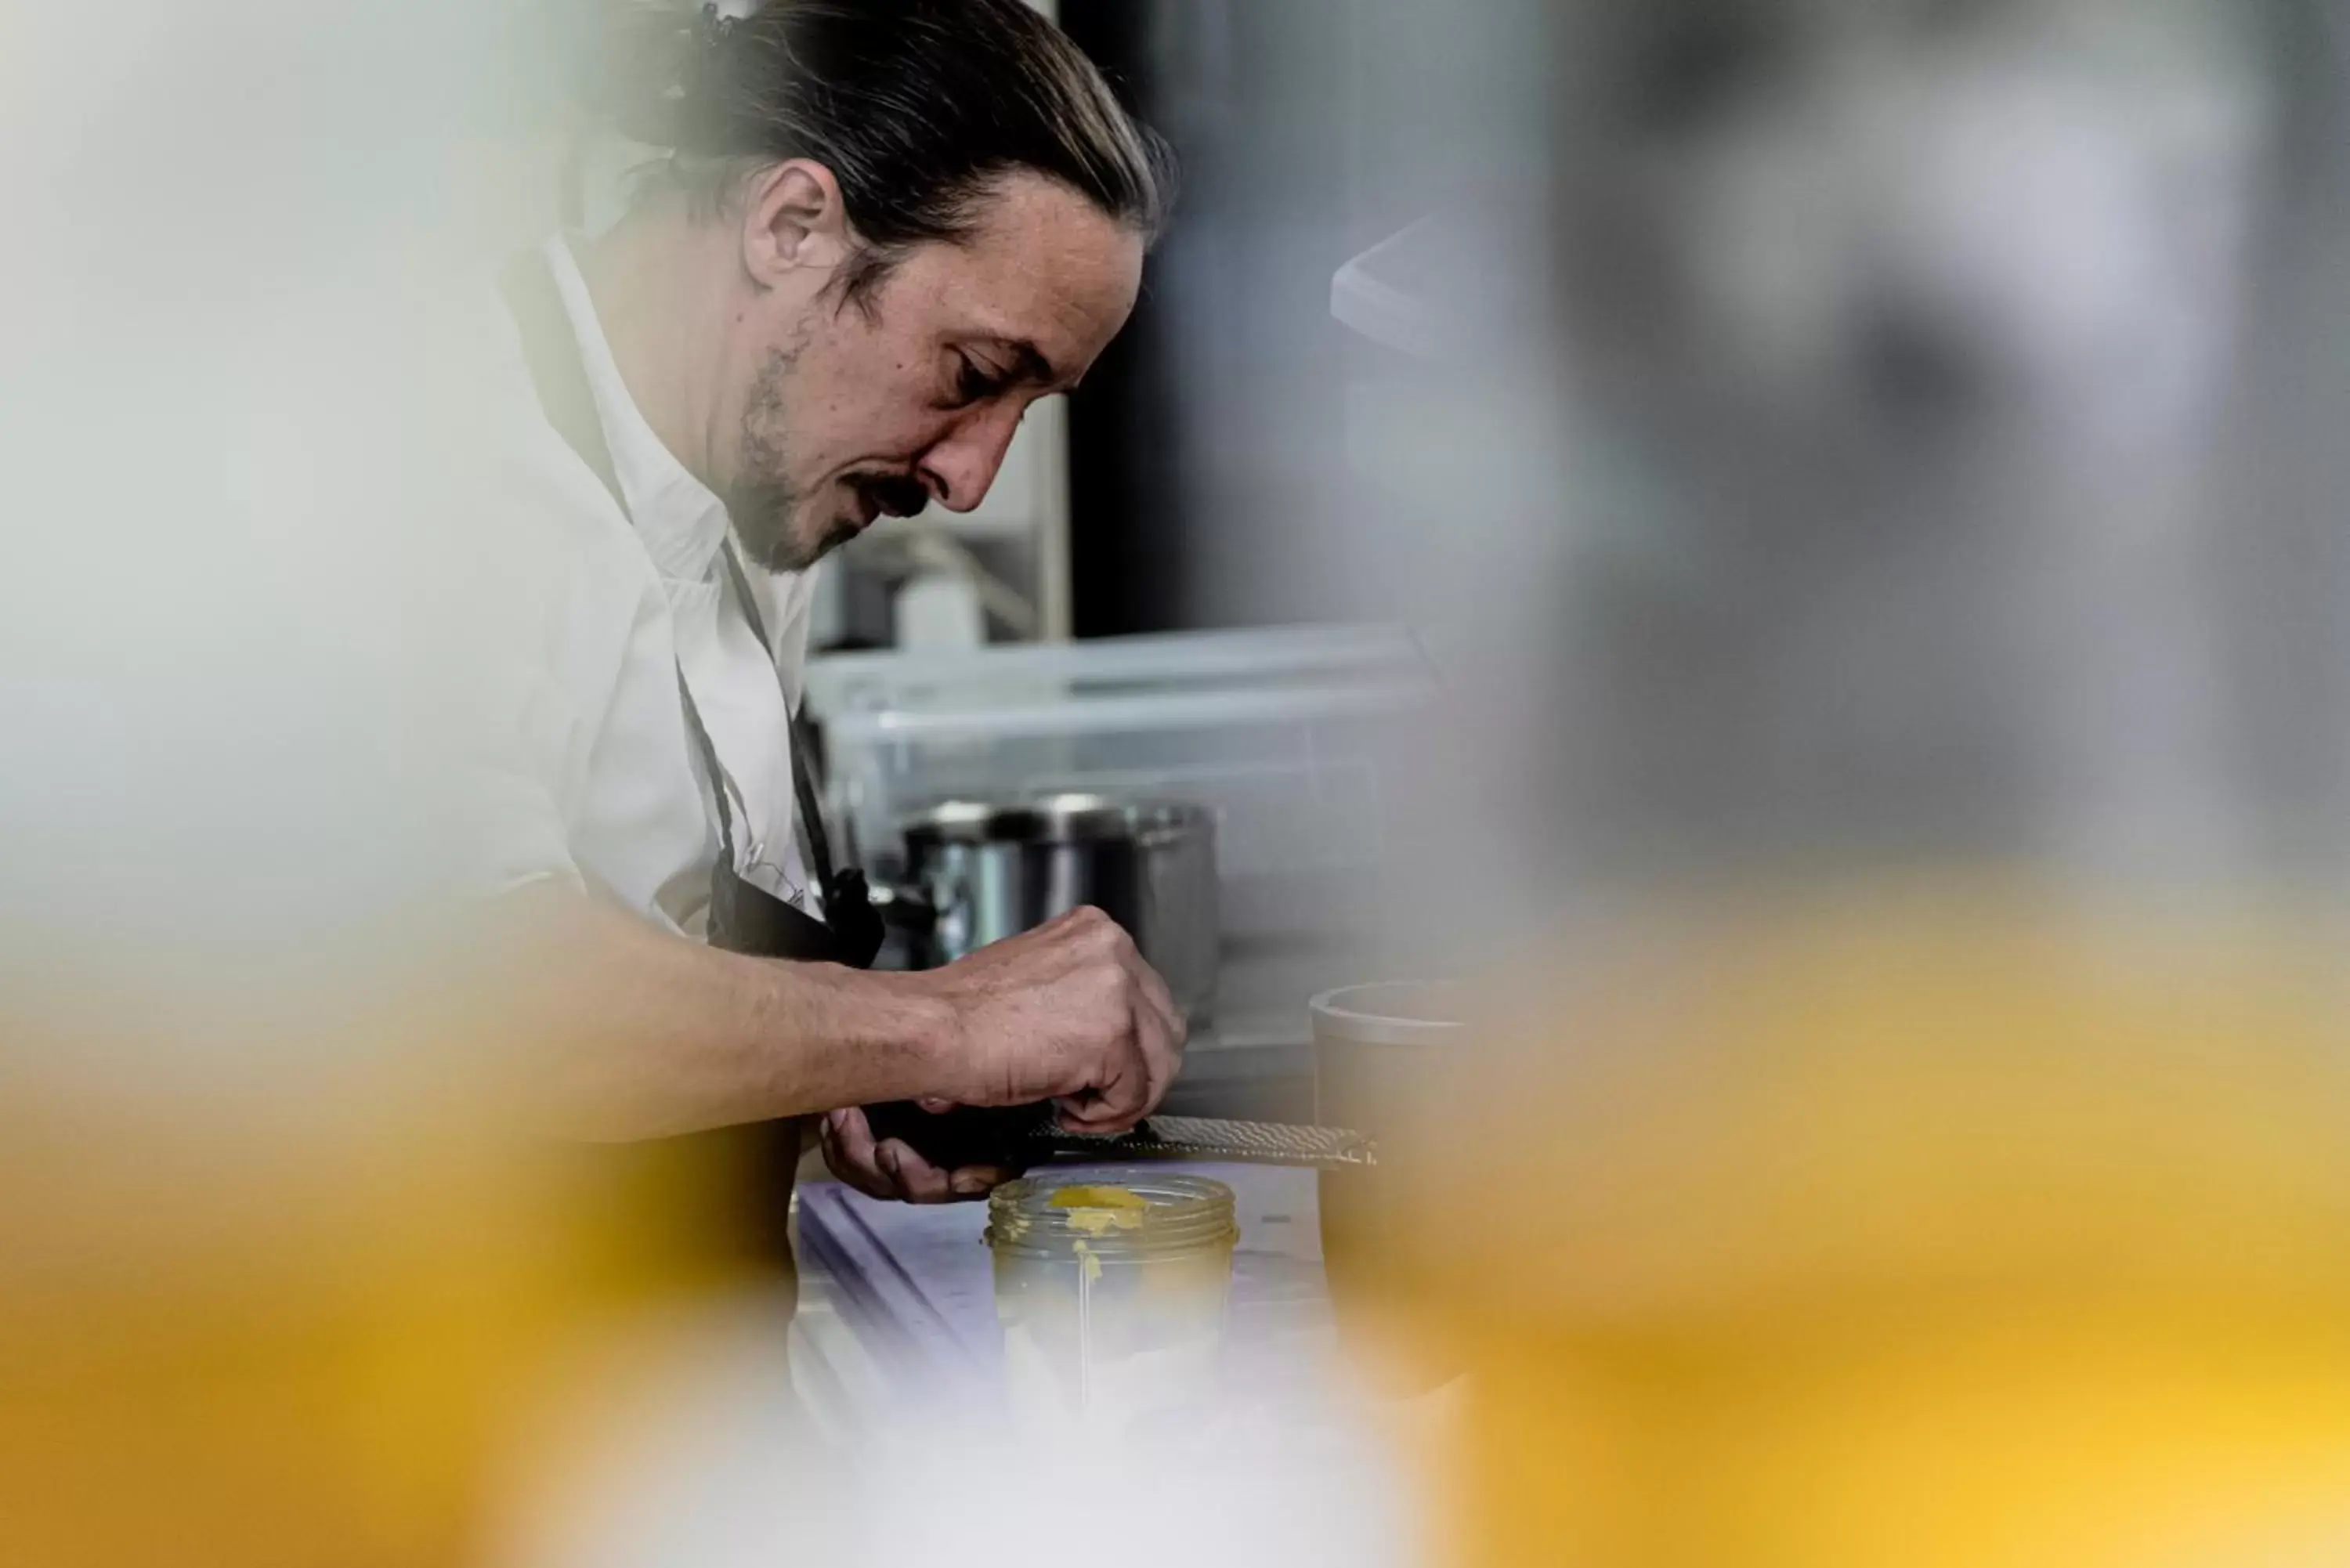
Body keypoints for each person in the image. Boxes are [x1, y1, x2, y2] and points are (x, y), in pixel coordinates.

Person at [473, 0, 1184, 1210]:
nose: (970, 478)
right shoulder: (426, 459)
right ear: (791, 226)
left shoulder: (751, 523)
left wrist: (840, 1076)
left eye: (1030, 408)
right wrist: (935, 1026)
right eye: (971, 376)